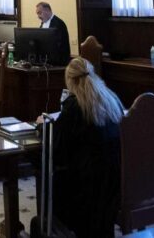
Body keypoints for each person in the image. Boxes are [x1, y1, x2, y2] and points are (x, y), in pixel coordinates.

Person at [50, 57, 123, 238]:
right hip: (114, 179)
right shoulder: (110, 98)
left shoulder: (74, 107)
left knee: (52, 178)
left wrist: (44, 127)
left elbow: (58, 150)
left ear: (70, 80)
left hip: (84, 182)